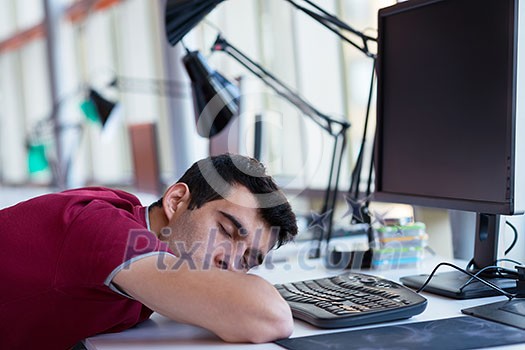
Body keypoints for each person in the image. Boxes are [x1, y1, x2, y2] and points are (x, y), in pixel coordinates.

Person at [0, 153, 298, 349]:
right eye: (226, 231)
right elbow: (271, 317)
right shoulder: (106, 229)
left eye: (248, 259)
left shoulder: (135, 218)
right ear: (176, 200)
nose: (230, 262)